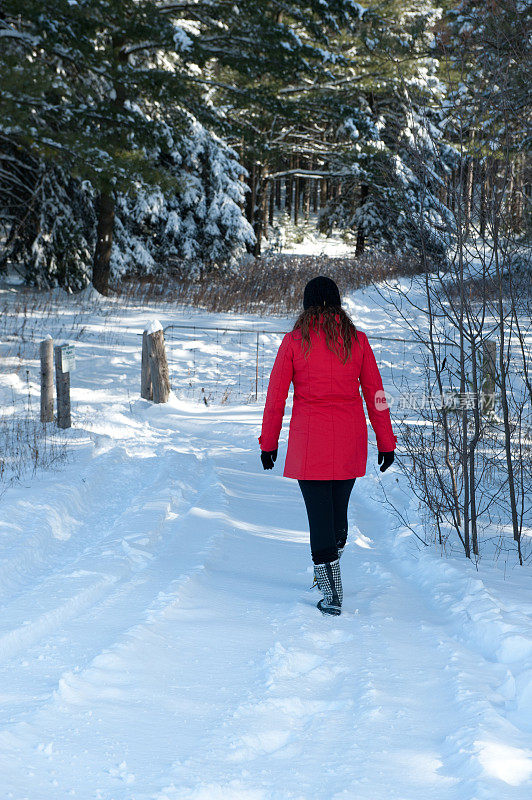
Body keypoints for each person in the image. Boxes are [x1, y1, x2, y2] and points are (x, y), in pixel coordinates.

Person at [258, 276, 397, 616]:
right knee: (336, 518)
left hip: (310, 444)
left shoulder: (294, 342)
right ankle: (331, 572)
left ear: (306, 305)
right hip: (349, 440)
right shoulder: (357, 341)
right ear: (337, 305)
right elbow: (376, 395)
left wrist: (269, 442)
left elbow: (276, 397)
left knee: (319, 516)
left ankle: (331, 589)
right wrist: (385, 441)